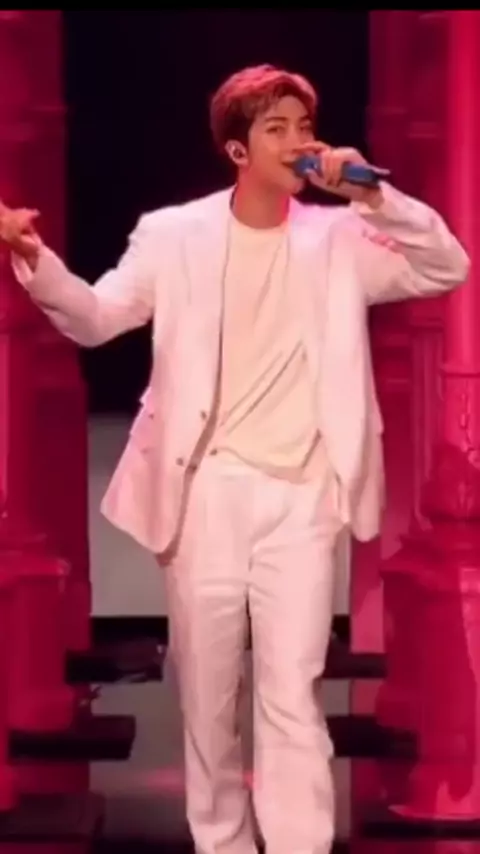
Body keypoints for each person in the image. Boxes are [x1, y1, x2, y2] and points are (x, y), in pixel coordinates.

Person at [0, 63, 469, 854]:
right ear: (237, 150)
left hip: (303, 496)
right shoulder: (174, 235)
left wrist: (372, 193)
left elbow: (446, 265)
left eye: (303, 126)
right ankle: (221, 843)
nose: (297, 142)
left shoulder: (339, 238)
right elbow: (96, 318)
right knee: (209, 700)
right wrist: (33, 255)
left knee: (293, 695)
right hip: (206, 494)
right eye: (276, 129)